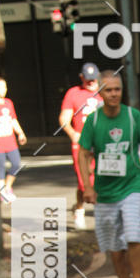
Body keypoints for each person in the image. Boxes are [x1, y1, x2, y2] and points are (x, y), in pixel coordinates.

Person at [78, 71, 140, 278]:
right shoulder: (93, 121)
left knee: (134, 235)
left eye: (117, 89)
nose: (114, 94)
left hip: (132, 186)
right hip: (105, 192)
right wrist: (88, 187)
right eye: (109, 90)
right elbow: (83, 154)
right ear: (100, 93)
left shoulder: (133, 117)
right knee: (114, 244)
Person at [59, 62, 103, 229]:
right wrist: (73, 134)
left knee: (101, 179)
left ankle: (98, 213)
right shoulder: (73, 93)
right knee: (84, 182)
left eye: (94, 79)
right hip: (82, 145)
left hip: (101, 144)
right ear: (81, 77)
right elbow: (64, 118)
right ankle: (80, 209)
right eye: (88, 79)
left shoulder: (105, 92)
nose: (91, 82)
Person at [0, 78, 26, 203]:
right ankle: (2, 191)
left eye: (5, 87)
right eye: (0, 87)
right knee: (0, 167)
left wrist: (20, 132)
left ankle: (8, 187)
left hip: (10, 140)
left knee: (16, 163)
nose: (4, 90)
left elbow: (13, 119)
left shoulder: (8, 103)